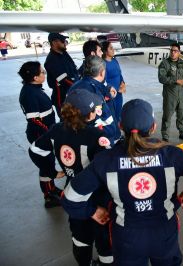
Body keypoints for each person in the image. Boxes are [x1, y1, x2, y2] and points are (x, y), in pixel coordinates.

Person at [62, 98, 183, 266]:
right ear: (153, 126)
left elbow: (70, 197)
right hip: (164, 234)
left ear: (120, 126)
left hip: (126, 239)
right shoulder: (173, 155)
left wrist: (93, 211)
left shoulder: (105, 160)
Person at [29, 89, 113, 265]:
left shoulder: (57, 130)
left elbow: (36, 150)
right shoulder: (97, 136)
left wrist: (51, 172)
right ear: (90, 115)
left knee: (80, 235)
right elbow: (108, 169)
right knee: (104, 238)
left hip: (72, 193)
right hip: (99, 196)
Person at [18, 61, 63, 208]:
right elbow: (34, 120)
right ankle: (48, 196)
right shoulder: (29, 94)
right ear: (35, 77)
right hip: (40, 135)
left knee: (49, 161)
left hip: (46, 133)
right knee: (46, 164)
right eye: (42, 72)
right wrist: (49, 133)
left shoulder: (35, 88)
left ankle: (51, 188)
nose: (45, 73)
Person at [69, 55, 119, 144]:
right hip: (98, 141)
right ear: (101, 72)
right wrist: (112, 131)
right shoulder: (95, 93)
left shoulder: (74, 86)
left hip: (75, 135)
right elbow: (103, 122)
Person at [44, 33, 79, 117]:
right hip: (62, 97)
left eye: (65, 41)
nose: (65, 43)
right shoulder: (51, 60)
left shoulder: (64, 54)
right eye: (63, 41)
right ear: (54, 42)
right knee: (67, 122)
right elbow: (64, 80)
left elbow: (74, 70)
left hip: (73, 93)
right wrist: (79, 86)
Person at [102, 41, 126, 123]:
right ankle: (115, 134)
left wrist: (123, 83)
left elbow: (120, 74)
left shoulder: (114, 60)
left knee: (118, 114)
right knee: (112, 116)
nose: (113, 50)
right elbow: (104, 81)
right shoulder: (103, 64)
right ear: (105, 51)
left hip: (119, 93)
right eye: (111, 48)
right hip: (111, 95)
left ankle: (118, 133)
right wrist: (115, 89)